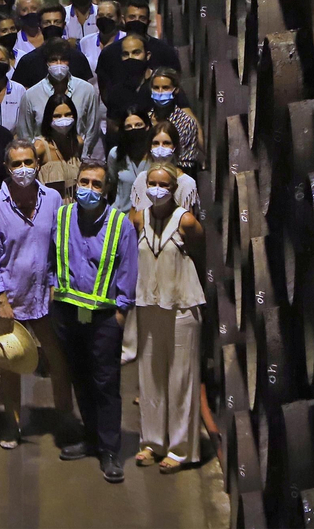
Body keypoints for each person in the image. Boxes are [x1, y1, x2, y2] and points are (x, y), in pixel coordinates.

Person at [0, 140, 77, 448]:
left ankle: (66, 419)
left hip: (44, 295)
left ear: (38, 164)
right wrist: (1, 300)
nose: (23, 169)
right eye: (16, 164)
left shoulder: (52, 199)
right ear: (7, 168)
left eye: (28, 162)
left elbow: (58, 245)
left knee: (58, 359)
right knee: (10, 362)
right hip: (11, 296)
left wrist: (56, 283)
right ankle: (12, 424)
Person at [50, 159, 138, 482]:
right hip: (69, 312)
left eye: (96, 184)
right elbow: (52, 258)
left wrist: (121, 313)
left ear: (106, 189)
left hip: (103, 317)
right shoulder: (62, 217)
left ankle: (110, 450)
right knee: (81, 378)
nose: (88, 189)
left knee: (106, 383)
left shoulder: (120, 224)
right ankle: (90, 438)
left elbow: (128, 269)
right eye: (84, 182)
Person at [129, 164, 203, 472]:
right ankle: (152, 443)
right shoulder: (138, 218)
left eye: (164, 185)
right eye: (152, 183)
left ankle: (180, 449)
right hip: (148, 304)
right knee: (150, 377)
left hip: (181, 306)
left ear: (174, 189)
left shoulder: (186, 220)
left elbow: (199, 252)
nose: (157, 189)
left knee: (180, 379)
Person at [14, 40, 104, 154]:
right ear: (46, 63)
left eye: (63, 59)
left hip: (78, 156)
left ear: (69, 62)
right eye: (53, 60)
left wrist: (83, 154)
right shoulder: (31, 95)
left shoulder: (87, 90)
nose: (59, 64)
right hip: (44, 160)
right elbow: (25, 134)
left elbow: (92, 130)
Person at [94, 0, 181, 91]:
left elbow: (175, 82)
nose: (136, 21)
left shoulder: (165, 51)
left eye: (142, 18)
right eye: (132, 17)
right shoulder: (109, 53)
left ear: (148, 22)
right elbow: (104, 88)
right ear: (123, 20)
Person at [130, 122, 203, 214]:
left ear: (175, 147)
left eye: (166, 143)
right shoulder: (141, 179)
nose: (160, 148)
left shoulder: (186, 183)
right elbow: (133, 216)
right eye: (155, 143)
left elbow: (189, 219)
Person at [13, 4, 93, 86]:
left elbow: (85, 88)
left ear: (64, 25)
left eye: (57, 22)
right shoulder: (28, 61)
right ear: (40, 26)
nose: (52, 26)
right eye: (47, 23)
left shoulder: (78, 58)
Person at [146, 71, 202, 170]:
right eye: (156, 88)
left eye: (165, 88)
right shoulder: (145, 119)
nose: (160, 92)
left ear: (175, 90)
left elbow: (186, 162)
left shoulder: (186, 122)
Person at [34, 93, 84, 194]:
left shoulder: (77, 143)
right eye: (57, 116)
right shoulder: (40, 147)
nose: (63, 119)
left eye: (68, 114)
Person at [108, 110, 149, 212]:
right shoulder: (115, 154)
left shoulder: (155, 155)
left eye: (138, 125)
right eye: (129, 127)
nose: (133, 129)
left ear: (147, 126)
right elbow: (112, 184)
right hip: (121, 215)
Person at [78, 0, 122, 74]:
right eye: (101, 15)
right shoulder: (85, 42)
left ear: (119, 19)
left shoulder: (126, 40)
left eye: (110, 16)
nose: (105, 19)